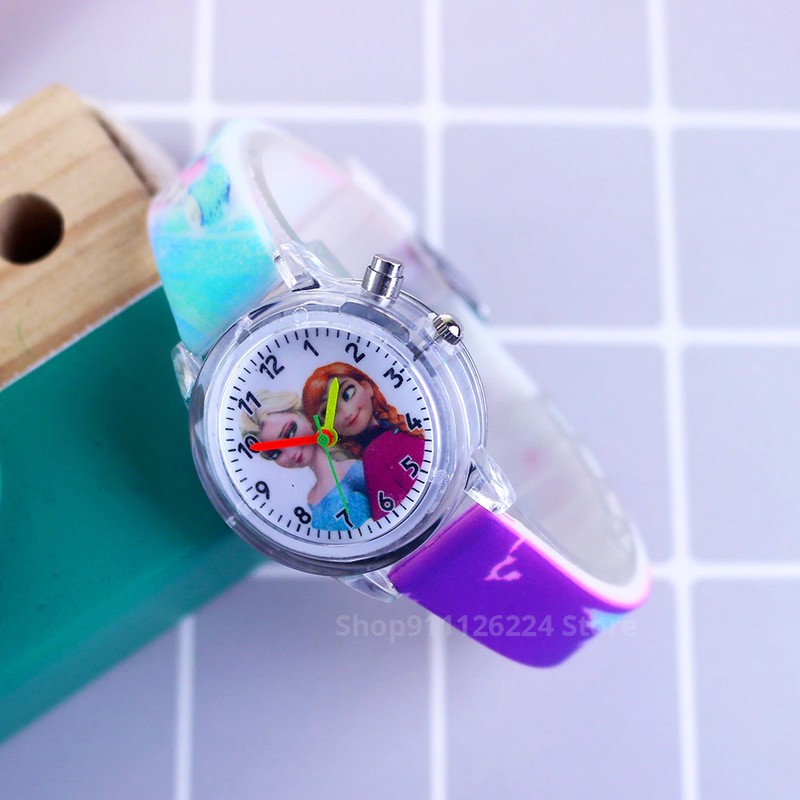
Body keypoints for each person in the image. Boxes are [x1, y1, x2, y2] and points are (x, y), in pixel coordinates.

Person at [302, 363, 425, 521]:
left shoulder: (385, 444)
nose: (346, 413)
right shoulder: (373, 456)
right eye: (328, 413)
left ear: (366, 386)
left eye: (348, 393)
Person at [240, 390, 370, 530]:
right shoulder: (311, 499)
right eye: (274, 453)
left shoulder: (356, 471)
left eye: (290, 432)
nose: (290, 454)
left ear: (303, 414)